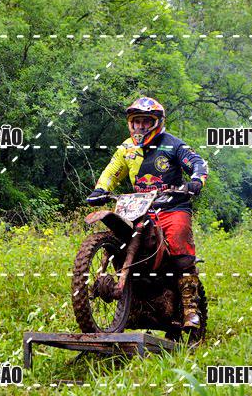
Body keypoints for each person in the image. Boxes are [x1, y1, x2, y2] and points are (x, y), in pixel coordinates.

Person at [86, 97, 209, 327]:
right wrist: (101, 189)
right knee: (118, 236)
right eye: (137, 121)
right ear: (130, 123)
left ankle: (191, 309)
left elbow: (197, 162)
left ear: (157, 122)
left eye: (146, 121)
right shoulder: (126, 149)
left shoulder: (173, 145)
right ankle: (128, 298)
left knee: (180, 244)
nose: (141, 126)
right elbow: (112, 171)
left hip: (172, 206)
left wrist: (196, 181)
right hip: (140, 207)